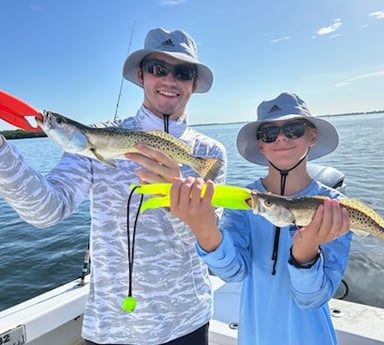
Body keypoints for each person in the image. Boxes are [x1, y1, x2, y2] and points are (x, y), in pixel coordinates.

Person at [0, 28, 226, 344]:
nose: (169, 80)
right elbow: (46, 211)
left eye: (183, 72)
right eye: (158, 68)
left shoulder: (209, 154)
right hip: (112, 327)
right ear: (141, 74)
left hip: (188, 321)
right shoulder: (95, 136)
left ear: (195, 83)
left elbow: (205, 241)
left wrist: (173, 198)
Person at [169, 92, 352, 345]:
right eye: (269, 134)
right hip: (254, 335)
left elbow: (312, 298)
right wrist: (204, 229)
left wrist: (305, 253)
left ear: (312, 135)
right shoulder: (244, 201)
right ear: (261, 144)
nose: (281, 138)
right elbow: (233, 272)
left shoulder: (334, 207)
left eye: (293, 129)